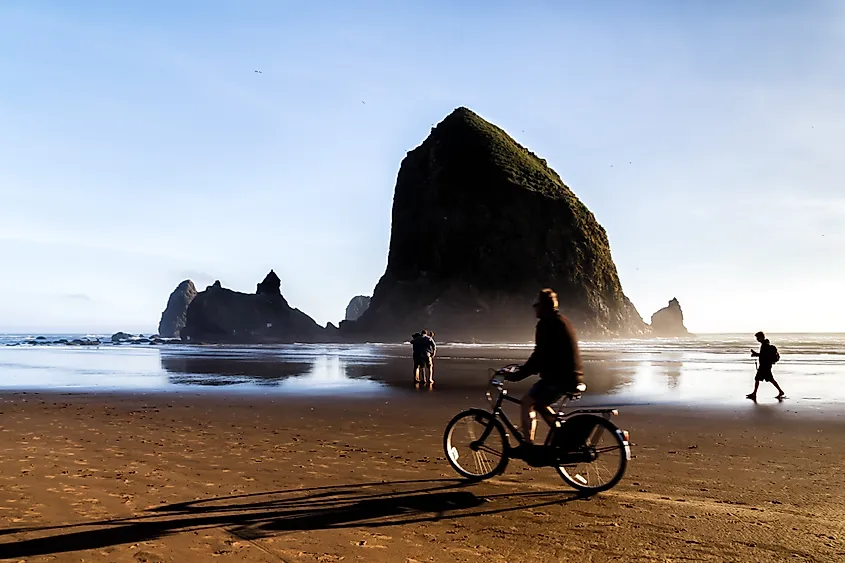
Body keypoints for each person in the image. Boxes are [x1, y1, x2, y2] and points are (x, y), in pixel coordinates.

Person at [505, 289, 583, 454]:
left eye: (536, 304)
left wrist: (518, 375)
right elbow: (544, 356)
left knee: (527, 402)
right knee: (540, 403)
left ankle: (528, 446)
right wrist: (525, 370)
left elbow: (539, 356)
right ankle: (562, 434)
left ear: (543, 306)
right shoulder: (562, 321)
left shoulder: (546, 324)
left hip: (559, 378)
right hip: (572, 376)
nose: (534, 308)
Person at [747, 331, 785, 401]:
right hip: (766, 365)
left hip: (765, 366)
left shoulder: (765, 345)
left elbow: (764, 355)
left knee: (761, 379)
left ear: (761, 337)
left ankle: (754, 394)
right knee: (765, 379)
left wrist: (756, 354)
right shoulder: (765, 344)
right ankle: (754, 393)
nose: (757, 339)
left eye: (757, 337)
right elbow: (763, 354)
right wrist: (756, 354)